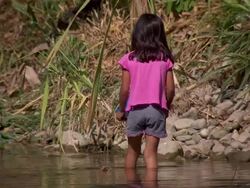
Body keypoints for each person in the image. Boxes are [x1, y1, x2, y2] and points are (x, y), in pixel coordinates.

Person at [116, 13, 175, 169]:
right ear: (160, 35)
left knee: (132, 152)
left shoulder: (128, 59)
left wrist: (122, 109)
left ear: (137, 34)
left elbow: (124, 90)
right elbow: (170, 89)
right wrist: (166, 106)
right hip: (156, 110)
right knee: (150, 154)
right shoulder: (165, 60)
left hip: (135, 111)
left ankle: (131, 183)